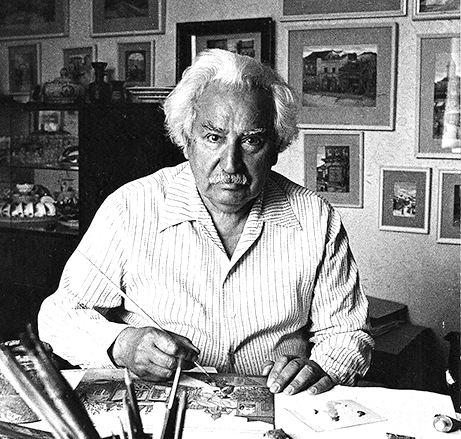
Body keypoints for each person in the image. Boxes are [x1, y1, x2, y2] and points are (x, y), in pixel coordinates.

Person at [38, 49, 374, 396]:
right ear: (186, 141)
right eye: (214, 137)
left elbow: (347, 333)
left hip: (279, 405)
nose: (230, 164)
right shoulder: (130, 208)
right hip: (161, 411)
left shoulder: (316, 217)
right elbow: (58, 317)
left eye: (252, 140)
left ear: (276, 147)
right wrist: (123, 344)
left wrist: (319, 369)